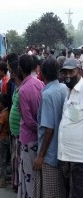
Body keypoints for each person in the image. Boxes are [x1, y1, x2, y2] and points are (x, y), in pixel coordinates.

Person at [33, 58, 67, 198]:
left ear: (42, 73)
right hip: (62, 151)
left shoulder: (47, 95)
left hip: (50, 154)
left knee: (50, 192)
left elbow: (48, 128)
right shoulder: (64, 88)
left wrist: (40, 156)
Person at [17, 54, 44, 198]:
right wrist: (42, 130)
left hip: (28, 138)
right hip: (41, 138)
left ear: (20, 69)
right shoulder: (40, 84)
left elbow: (28, 121)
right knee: (37, 176)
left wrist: (37, 129)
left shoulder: (23, 90)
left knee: (28, 176)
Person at [57, 58, 83, 198]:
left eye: (71, 72)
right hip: (67, 156)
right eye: (65, 72)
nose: (68, 76)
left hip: (79, 158)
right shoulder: (68, 90)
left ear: (79, 72)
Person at [8, 60, 22, 192]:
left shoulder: (22, 89)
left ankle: (17, 184)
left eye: (13, 74)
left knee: (18, 159)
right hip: (14, 131)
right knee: (14, 158)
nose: (11, 76)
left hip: (20, 132)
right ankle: (14, 181)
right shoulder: (17, 87)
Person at [0, 94, 10, 188]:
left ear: (1, 103)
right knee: (3, 159)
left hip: (2, 138)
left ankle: (3, 180)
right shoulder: (7, 112)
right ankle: (2, 177)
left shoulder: (2, 115)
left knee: (1, 160)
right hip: (5, 138)